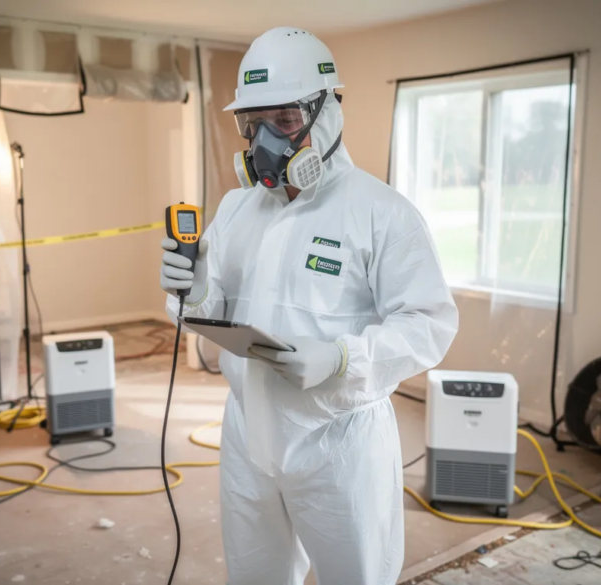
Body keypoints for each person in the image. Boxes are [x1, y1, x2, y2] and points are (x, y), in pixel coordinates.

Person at [159, 27, 458, 585]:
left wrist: (343, 357)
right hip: (248, 430)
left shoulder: (382, 213)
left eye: (286, 121)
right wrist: (190, 290)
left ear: (328, 112)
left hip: (338, 440)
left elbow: (429, 325)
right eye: (253, 124)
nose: (266, 140)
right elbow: (206, 308)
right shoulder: (237, 207)